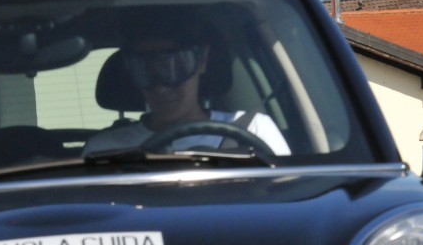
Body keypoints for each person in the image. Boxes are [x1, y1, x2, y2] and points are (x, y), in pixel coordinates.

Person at [82, 18, 290, 157]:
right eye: (144, 70)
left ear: (202, 60)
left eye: (175, 67)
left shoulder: (253, 130)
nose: (160, 88)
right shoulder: (105, 151)